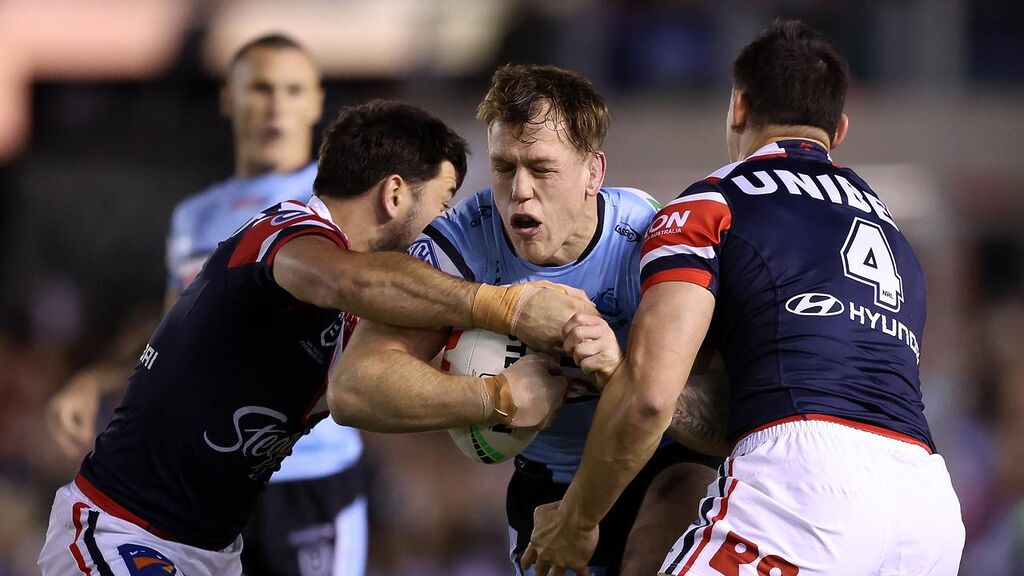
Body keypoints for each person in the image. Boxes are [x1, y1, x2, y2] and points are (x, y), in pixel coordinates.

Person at [38, 99, 588, 576]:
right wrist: (504, 307)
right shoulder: (287, 233)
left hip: (213, 552)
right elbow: (351, 280)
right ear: (394, 194)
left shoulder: (358, 319)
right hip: (120, 530)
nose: (445, 229)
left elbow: (373, 395)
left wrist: (507, 393)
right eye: (442, 205)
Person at [524, 19, 966, 576]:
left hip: (803, 494)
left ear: (738, 106)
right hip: (927, 511)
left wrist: (578, 520)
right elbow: (775, 393)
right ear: (841, 129)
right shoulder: (897, 239)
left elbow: (650, 399)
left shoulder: (710, 204)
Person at [330, 64, 724, 576]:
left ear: (593, 173)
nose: (519, 191)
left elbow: (724, 423)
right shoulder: (465, 244)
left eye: (542, 169)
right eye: (504, 167)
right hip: (544, 485)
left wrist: (626, 375)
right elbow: (354, 388)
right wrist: (497, 397)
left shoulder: (656, 241)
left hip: (661, 469)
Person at [47, 33, 366, 575]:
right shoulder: (194, 217)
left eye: (293, 91)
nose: (276, 107)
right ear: (228, 97)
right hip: (201, 484)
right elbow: (175, 330)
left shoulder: (336, 205)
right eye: (262, 88)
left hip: (308, 476)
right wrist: (98, 376)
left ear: (316, 104)